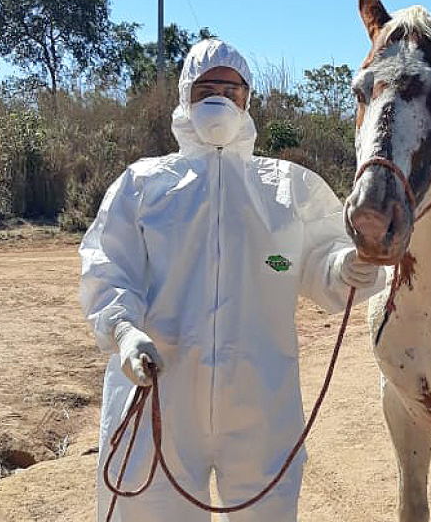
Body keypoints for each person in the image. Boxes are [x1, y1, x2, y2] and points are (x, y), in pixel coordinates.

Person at [80, 38, 384, 522]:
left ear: (248, 99)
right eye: (207, 87)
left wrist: (344, 267)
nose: (220, 97)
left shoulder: (288, 188)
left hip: (259, 398)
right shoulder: (143, 185)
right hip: (162, 390)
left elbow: (315, 261)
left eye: (231, 87)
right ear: (185, 95)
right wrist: (123, 330)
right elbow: (109, 267)